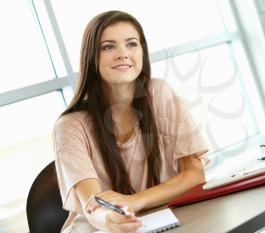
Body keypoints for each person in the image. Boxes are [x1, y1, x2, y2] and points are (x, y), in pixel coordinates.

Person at [53, 10, 209, 233]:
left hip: (158, 220)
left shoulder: (160, 94)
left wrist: (135, 201)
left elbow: (194, 174)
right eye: (108, 47)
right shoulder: (70, 126)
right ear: (91, 57)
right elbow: (93, 206)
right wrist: (109, 219)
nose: (123, 54)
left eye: (132, 44)